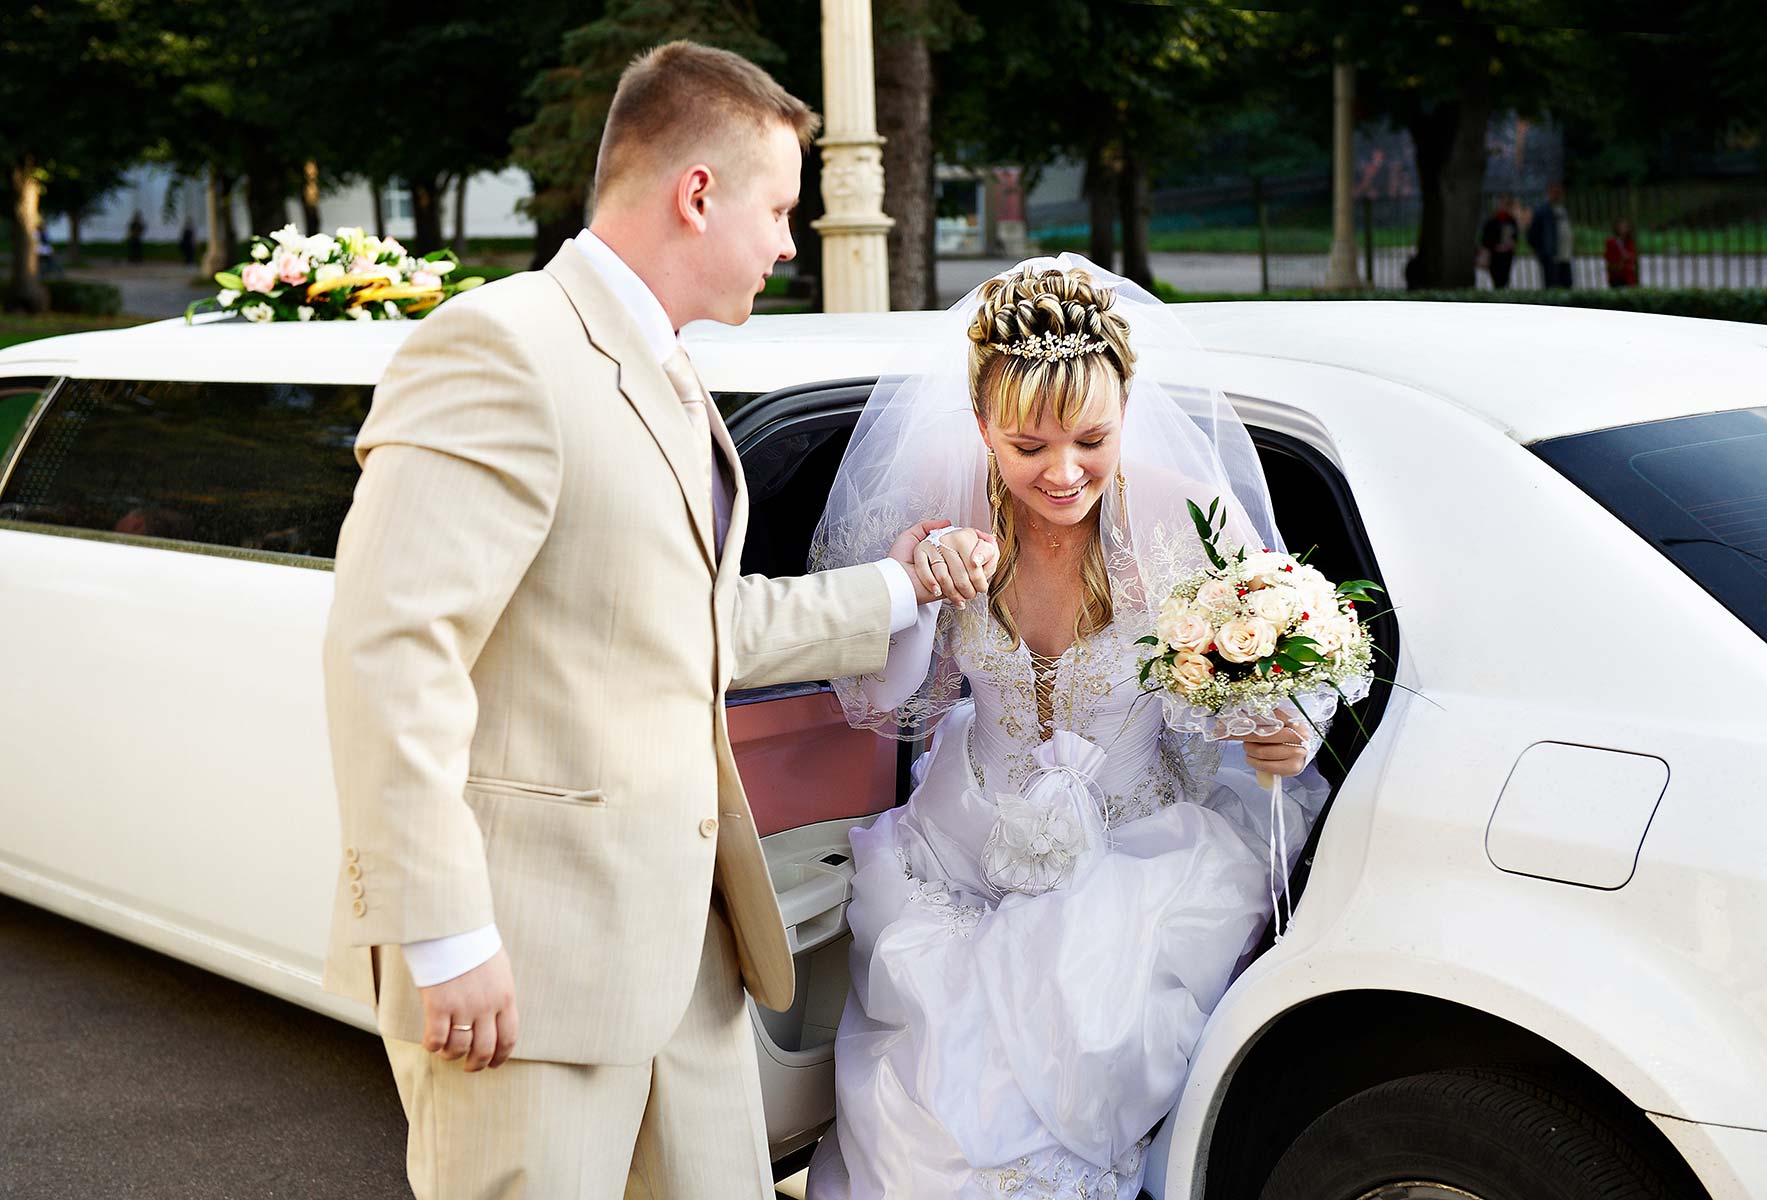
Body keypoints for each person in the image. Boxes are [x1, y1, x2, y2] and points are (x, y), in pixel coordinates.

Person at [321, 41, 974, 1200]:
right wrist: (445, 935)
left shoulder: (667, 370)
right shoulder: (503, 346)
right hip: (527, 967)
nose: (787, 241)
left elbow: (689, 619)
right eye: (780, 208)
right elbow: (390, 653)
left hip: (686, 959)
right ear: (698, 193)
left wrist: (897, 589)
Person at [805, 257, 1333, 1198]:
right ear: (981, 431)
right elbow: (887, 704)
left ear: (1127, 409)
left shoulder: (1183, 513)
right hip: (965, 852)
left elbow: (1275, 673)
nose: (1063, 472)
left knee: (1080, 1034)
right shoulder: (940, 513)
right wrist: (918, 589)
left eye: (1092, 439)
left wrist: (1279, 731)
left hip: (1140, 858)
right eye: (1027, 446)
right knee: (921, 1100)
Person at [1528, 184, 1574, 288]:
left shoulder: (1562, 209)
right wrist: (1538, 249)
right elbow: (1533, 232)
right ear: (1548, 193)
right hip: (1551, 254)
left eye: (1559, 192)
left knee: (1567, 284)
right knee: (1552, 285)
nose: (1557, 195)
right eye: (1554, 192)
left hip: (1565, 254)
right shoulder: (1543, 210)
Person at [1479, 195, 1520, 289]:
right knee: (1496, 277)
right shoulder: (1491, 221)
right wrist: (1494, 246)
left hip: (1507, 254)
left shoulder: (1511, 221)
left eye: (1506, 205)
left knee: (1505, 276)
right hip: (1495, 254)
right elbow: (1485, 239)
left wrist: (1512, 244)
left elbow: (1516, 237)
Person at [1604, 216, 1639, 287]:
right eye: (1621, 226)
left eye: (1625, 226)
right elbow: (1608, 257)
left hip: (1629, 275)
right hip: (1616, 275)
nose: (1623, 228)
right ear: (1616, 227)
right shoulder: (1611, 241)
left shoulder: (1629, 241)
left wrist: (1629, 256)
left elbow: (1634, 255)